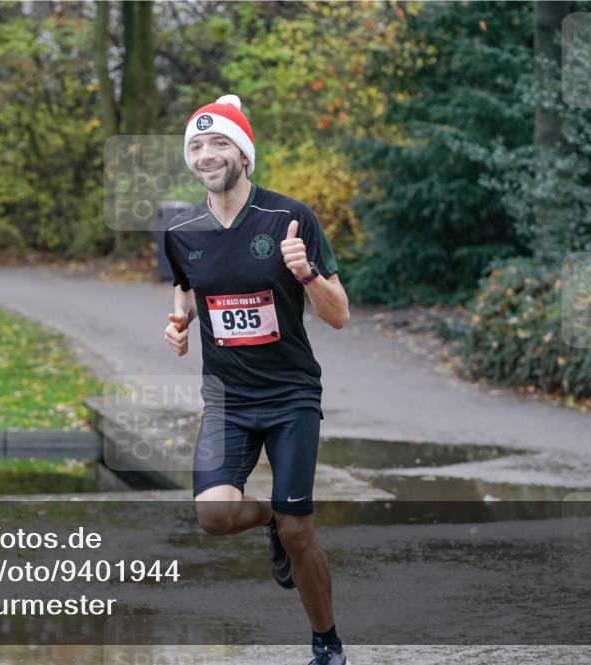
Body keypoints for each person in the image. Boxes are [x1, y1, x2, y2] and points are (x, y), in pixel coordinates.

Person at [162, 94, 351, 665]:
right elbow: (187, 284)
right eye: (196, 146)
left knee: (301, 535)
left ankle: (326, 643)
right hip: (226, 399)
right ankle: (269, 515)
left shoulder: (290, 218)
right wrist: (179, 321)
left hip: (291, 395)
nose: (206, 154)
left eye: (219, 142)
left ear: (244, 154)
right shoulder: (182, 231)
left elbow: (339, 314)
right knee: (215, 515)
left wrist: (307, 272)